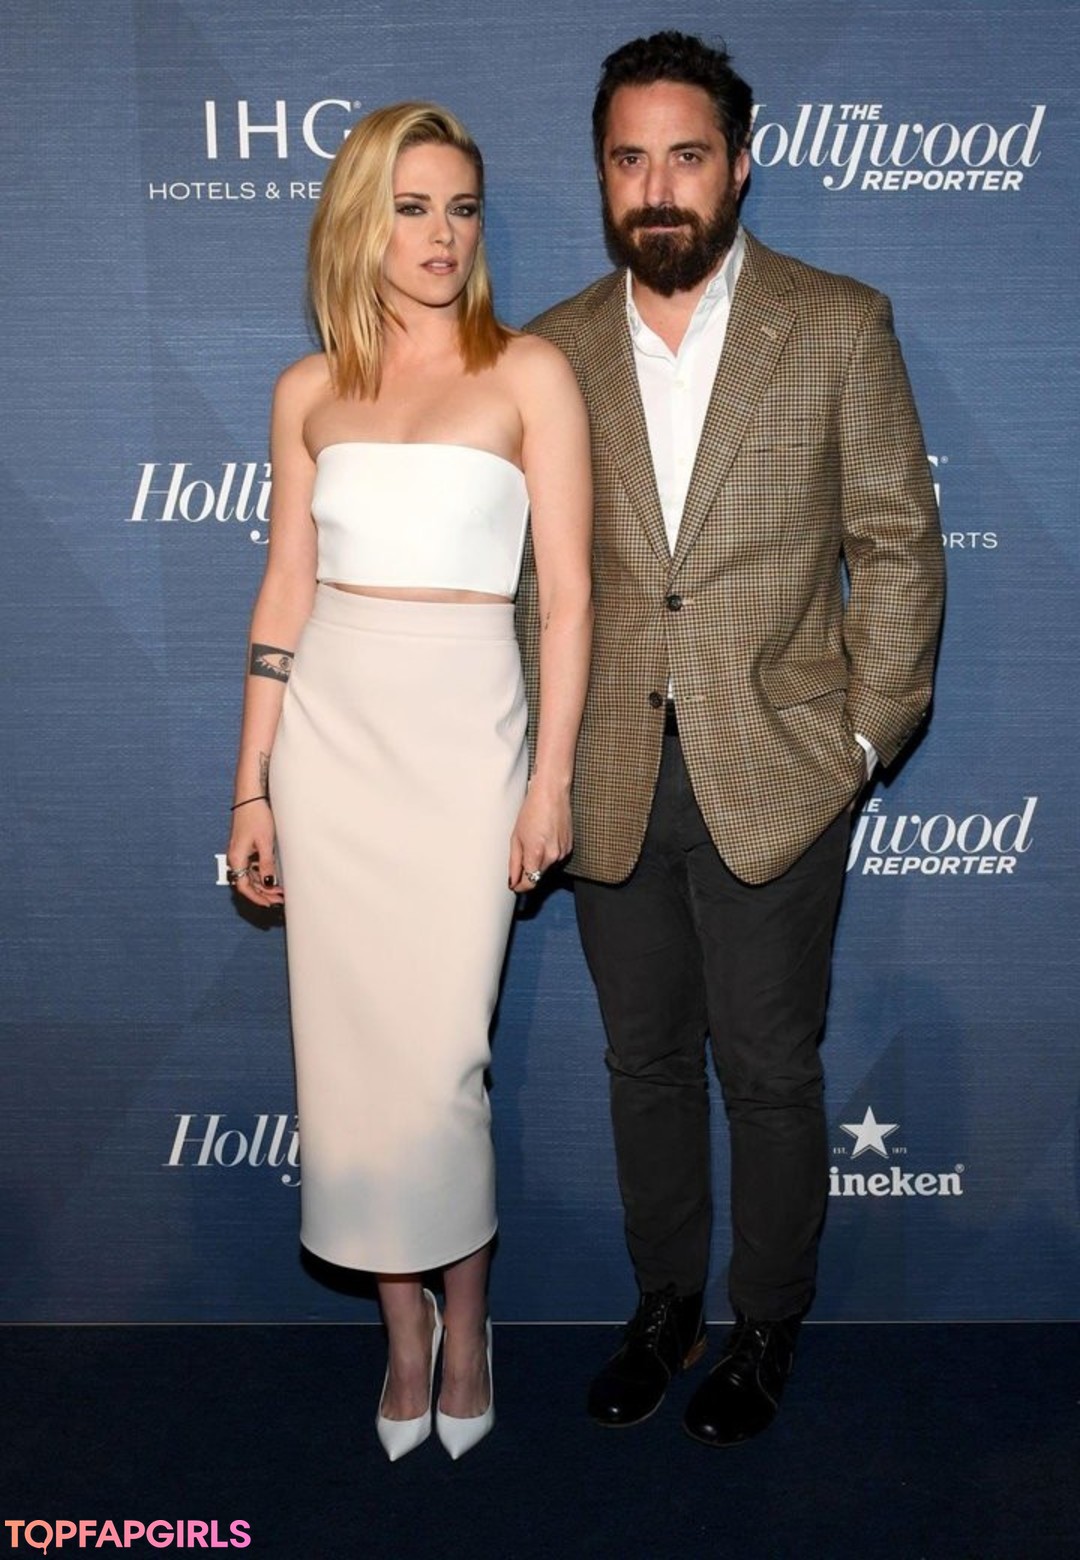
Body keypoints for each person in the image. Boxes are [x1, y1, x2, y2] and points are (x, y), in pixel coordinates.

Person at [518, 31, 944, 1447]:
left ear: (741, 165)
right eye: (629, 159)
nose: (658, 187)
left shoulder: (836, 323)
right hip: (606, 774)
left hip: (781, 771)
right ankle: (665, 1307)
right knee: (641, 1064)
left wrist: (861, 746)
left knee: (768, 1068)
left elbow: (898, 548)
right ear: (602, 174)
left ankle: (766, 1321)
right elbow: (527, 583)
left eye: (686, 156)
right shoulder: (550, 350)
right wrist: (533, 762)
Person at [226, 101, 592, 1462]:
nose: (442, 235)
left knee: (442, 1059)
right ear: (358, 221)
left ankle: (471, 1317)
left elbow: (570, 601)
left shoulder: (530, 374)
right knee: (350, 1060)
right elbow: (285, 588)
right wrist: (252, 787)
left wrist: (549, 779)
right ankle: (402, 1333)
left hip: (466, 740)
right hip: (331, 741)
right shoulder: (307, 391)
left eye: (462, 207)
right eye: (411, 206)